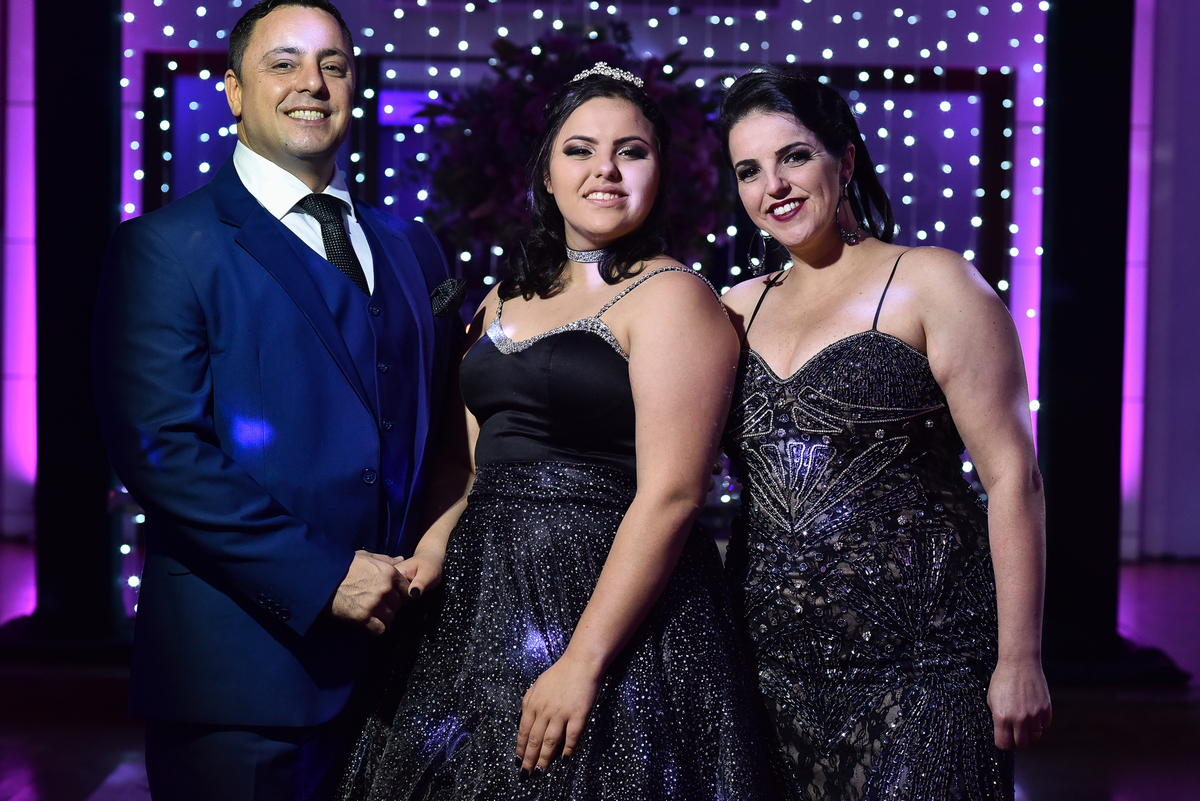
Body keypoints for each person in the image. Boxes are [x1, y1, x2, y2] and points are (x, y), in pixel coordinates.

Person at [338, 64, 779, 800]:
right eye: (580, 150)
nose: (605, 168)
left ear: (659, 173)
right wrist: (430, 553)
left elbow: (673, 495)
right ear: (546, 173)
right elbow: (465, 465)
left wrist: (583, 659)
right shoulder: (501, 296)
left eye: (631, 151)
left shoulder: (673, 296)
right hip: (479, 606)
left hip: (607, 606)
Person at [91, 1, 463, 798]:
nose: (312, 83)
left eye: (334, 65)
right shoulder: (165, 246)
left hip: (402, 676)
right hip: (242, 680)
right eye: (283, 63)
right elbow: (163, 452)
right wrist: (326, 575)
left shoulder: (413, 246)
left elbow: (440, 430)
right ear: (233, 90)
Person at [716, 67, 1053, 801]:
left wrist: (1020, 657)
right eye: (750, 170)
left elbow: (1012, 477)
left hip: (926, 661)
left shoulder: (933, 282)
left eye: (795, 156)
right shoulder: (732, 309)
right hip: (768, 663)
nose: (774, 185)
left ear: (846, 159)